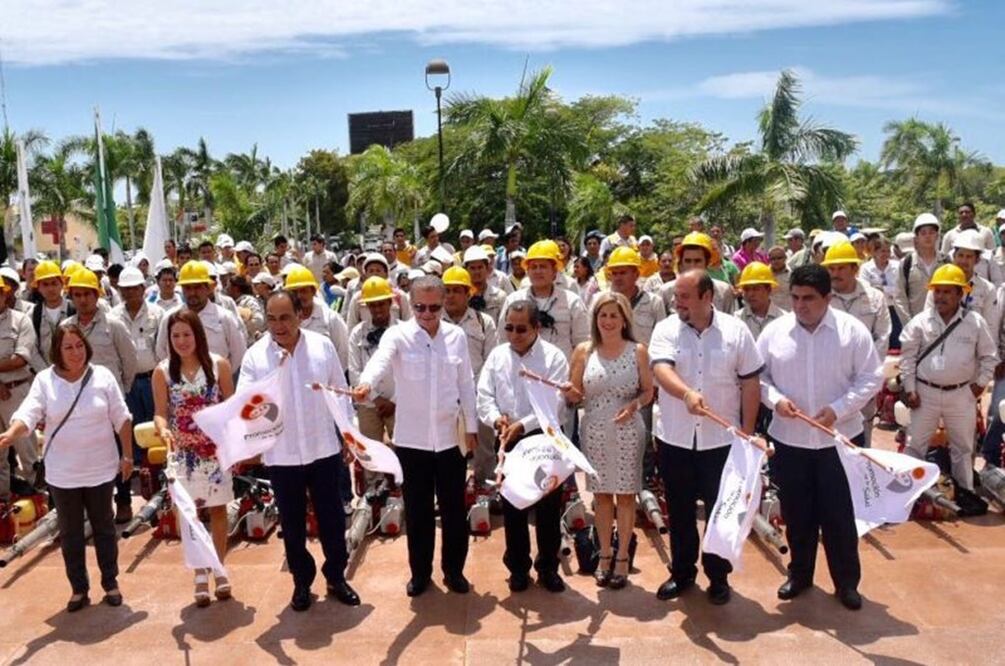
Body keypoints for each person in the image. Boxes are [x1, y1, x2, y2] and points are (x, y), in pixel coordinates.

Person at [757, 264, 882, 611]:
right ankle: (800, 575)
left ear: (828, 297)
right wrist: (776, 401)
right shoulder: (774, 332)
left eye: (809, 298)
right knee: (798, 514)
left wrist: (838, 408)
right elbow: (759, 377)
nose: (800, 305)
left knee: (839, 515)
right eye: (795, 297)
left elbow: (871, 378)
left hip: (839, 441)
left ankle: (846, 584)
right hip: (790, 440)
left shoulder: (852, 332)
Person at [354, 276, 478, 597]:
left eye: (434, 307)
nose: (427, 313)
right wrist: (367, 383)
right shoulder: (398, 336)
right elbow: (379, 362)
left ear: (444, 302)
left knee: (452, 509)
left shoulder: (456, 337)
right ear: (410, 304)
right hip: (411, 442)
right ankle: (420, 573)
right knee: (418, 510)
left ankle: (454, 571)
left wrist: (473, 427)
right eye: (420, 307)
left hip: (451, 439)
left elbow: (466, 384)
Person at [239, 291, 360, 611]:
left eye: (285, 317)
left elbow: (340, 393)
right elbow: (245, 405)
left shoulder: (322, 347)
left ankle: (336, 576)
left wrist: (349, 435)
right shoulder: (255, 357)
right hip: (282, 456)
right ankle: (301, 582)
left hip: (323, 449)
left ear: (300, 315)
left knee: (333, 518)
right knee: (291, 524)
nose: (278, 326)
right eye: (272, 319)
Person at [649, 270, 762, 605]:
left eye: (684, 296)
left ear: (707, 297)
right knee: (680, 510)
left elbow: (751, 383)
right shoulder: (666, 328)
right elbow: (661, 369)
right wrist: (685, 394)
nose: (676, 302)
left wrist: (747, 431)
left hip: (721, 441)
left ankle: (718, 576)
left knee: (719, 512)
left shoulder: (736, 331)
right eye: (676, 296)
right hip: (675, 438)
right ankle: (682, 573)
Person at [2, 324, 132, 612]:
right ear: (56, 351)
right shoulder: (45, 381)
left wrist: (128, 456)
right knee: (71, 533)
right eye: (68, 347)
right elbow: (29, 412)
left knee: (104, 528)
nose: (76, 352)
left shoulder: (103, 376)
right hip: (63, 473)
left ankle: (110, 583)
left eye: (79, 345)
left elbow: (121, 417)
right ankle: (78, 589)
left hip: (100, 468)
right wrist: (12, 434)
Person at [477, 300, 569, 592]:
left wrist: (523, 425)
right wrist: (495, 420)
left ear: (536, 328)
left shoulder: (554, 357)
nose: (514, 335)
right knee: (513, 505)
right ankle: (518, 567)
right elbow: (484, 396)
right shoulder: (496, 356)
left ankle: (548, 567)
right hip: (507, 438)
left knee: (547, 508)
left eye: (521, 329)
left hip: (543, 437)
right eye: (509, 328)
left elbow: (554, 402)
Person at [566, 292, 652, 590]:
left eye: (614, 315)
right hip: (594, 429)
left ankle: (623, 558)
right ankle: (603, 556)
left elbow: (648, 391)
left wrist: (634, 406)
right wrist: (568, 392)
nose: (608, 321)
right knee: (601, 495)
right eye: (603, 315)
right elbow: (575, 394)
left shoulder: (638, 350)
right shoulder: (583, 351)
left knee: (626, 495)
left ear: (624, 318)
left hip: (628, 429)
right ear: (595, 318)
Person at [153, 310, 235, 606]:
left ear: (198, 335)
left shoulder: (219, 365)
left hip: (214, 453)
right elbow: (161, 413)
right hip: (184, 455)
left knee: (217, 511)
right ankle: (200, 573)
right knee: (190, 516)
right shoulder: (162, 371)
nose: (181, 341)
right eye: (175, 336)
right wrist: (163, 430)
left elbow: (232, 407)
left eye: (187, 334)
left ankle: (219, 568)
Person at [900, 264, 996, 491]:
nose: (940, 296)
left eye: (947, 291)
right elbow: (907, 359)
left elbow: (989, 357)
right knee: (915, 447)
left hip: (962, 394)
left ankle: (965, 495)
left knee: (963, 449)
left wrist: (980, 385)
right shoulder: (920, 322)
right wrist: (911, 389)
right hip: (925, 394)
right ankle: (909, 496)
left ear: (960, 294)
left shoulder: (975, 322)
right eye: (937, 291)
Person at [65, 268, 137, 523]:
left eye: (87, 294)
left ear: (97, 295)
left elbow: (129, 362)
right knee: (88, 455)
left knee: (120, 453)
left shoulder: (113, 325)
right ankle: (94, 507)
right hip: (77, 406)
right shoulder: (65, 328)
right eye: (77, 294)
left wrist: (121, 392)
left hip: (111, 404)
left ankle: (124, 501)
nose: (83, 299)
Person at [820, 241, 891, 448]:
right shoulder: (822, 299)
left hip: (863, 383)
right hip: (830, 381)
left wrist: (864, 374)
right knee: (829, 435)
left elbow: (882, 337)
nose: (836, 273)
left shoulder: (875, 298)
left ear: (855, 268)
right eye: (831, 268)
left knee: (861, 438)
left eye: (841, 267)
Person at [442, 267, 498, 486]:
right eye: (447, 290)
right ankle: (450, 489)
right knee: (448, 448)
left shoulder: (484, 322)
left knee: (484, 446)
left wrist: (474, 390)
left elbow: (492, 360)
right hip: (445, 398)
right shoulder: (432, 323)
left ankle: (487, 487)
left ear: (468, 293)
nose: (451, 296)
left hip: (478, 394)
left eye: (457, 290)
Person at [498, 241, 590, 360]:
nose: (538, 271)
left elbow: (582, 345)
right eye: (533, 267)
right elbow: (503, 340)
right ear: (528, 271)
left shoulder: (573, 302)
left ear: (554, 271)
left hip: (560, 374)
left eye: (543, 266)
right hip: (520, 372)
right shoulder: (514, 300)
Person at [156, 261, 246, 372]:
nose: (192, 292)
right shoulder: (170, 317)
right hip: (182, 385)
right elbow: (161, 351)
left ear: (207, 288)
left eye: (197, 287)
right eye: (188, 288)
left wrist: (221, 376)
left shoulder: (224, 317)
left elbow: (239, 353)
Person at [112, 267, 165, 449]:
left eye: (134, 288)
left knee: (155, 423)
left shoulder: (157, 314)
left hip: (152, 379)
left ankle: (157, 466)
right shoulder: (113, 317)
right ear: (120, 291)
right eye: (126, 289)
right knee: (130, 425)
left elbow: (164, 348)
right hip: (127, 382)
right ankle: (134, 466)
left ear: (143, 288)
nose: (130, 292)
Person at [348, 277, 399, 458]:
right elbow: (354, 371)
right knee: (370, 452)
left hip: (398, 402)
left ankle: (404, 485)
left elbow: (410, 372)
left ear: (390, 302)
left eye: (381, 304)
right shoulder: (357, 333)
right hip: (368, 403)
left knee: (403, 451)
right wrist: (376, 399)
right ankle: (372, 483)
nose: (377, 309)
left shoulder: (403, 331)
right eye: (372, 305)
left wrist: (393, 400)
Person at [0, 277, 39, 495]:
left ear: (5, 294)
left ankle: (43, 500)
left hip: (16, 392)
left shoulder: (21, 320)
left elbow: (20, 359)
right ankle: (4, 505)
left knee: (27, 452)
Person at [604, 246, 666, 345]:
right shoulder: (601, 301)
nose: (618, 278)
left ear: (636, 274)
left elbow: (663, 339)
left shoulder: (654, 303)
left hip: (645, 359)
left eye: (623, 273)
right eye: (615, 273)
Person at [660, 232, 735, 314]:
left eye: (697, 261)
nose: (692, 266)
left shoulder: (723, 291)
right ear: (681, 262)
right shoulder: (666, 292)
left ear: (707, 262)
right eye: (688, 261)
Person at [894, 213, 946, 326]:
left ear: (937, 236)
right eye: (923, 233)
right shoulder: (906, 264)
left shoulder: (946, 262)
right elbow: (900, 298)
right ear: (916, 238)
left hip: (944, 326)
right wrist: (910, 325)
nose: (928, 236)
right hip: (915, 325)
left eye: (932, 232)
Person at [28, 260, 75, 373]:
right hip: (46, 376)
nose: (50, 289)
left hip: (75, 373)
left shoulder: (74, 309)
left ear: (62, 284)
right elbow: (32, 349)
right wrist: (48, 375)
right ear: (38, 287)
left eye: (54, 283)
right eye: (45, 284)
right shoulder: (33, 314)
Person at [860, 236, 901, 350]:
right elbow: (866, 289)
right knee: (879, 342)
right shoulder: (866, 268)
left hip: (894, 309)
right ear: (874, 252)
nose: (886, 254)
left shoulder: (897, 266)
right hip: (875, 310)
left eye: (888, 250)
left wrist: (883, 289)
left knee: (896, 341)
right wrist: (889, 290)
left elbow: (899, 289)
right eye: (882, 251)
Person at [735, 262, 785, 339]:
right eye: (746, 289)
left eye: (756, 289)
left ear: (768, 290)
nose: (750, 294)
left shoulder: (783, 319)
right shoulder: (736, 320)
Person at [463, 246, 507, 322]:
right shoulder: (461, 297)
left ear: (487, 268)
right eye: (472, 268)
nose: (476, 272)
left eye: (480, 267)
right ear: (466, 270)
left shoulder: (500, 297)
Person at [766, 246, 792, 311]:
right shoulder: (764, 275)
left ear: (785, 258)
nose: (776, 261)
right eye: (773, 259)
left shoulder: (792, 275)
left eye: (779, 258)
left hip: (787, 313)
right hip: (769, 314)